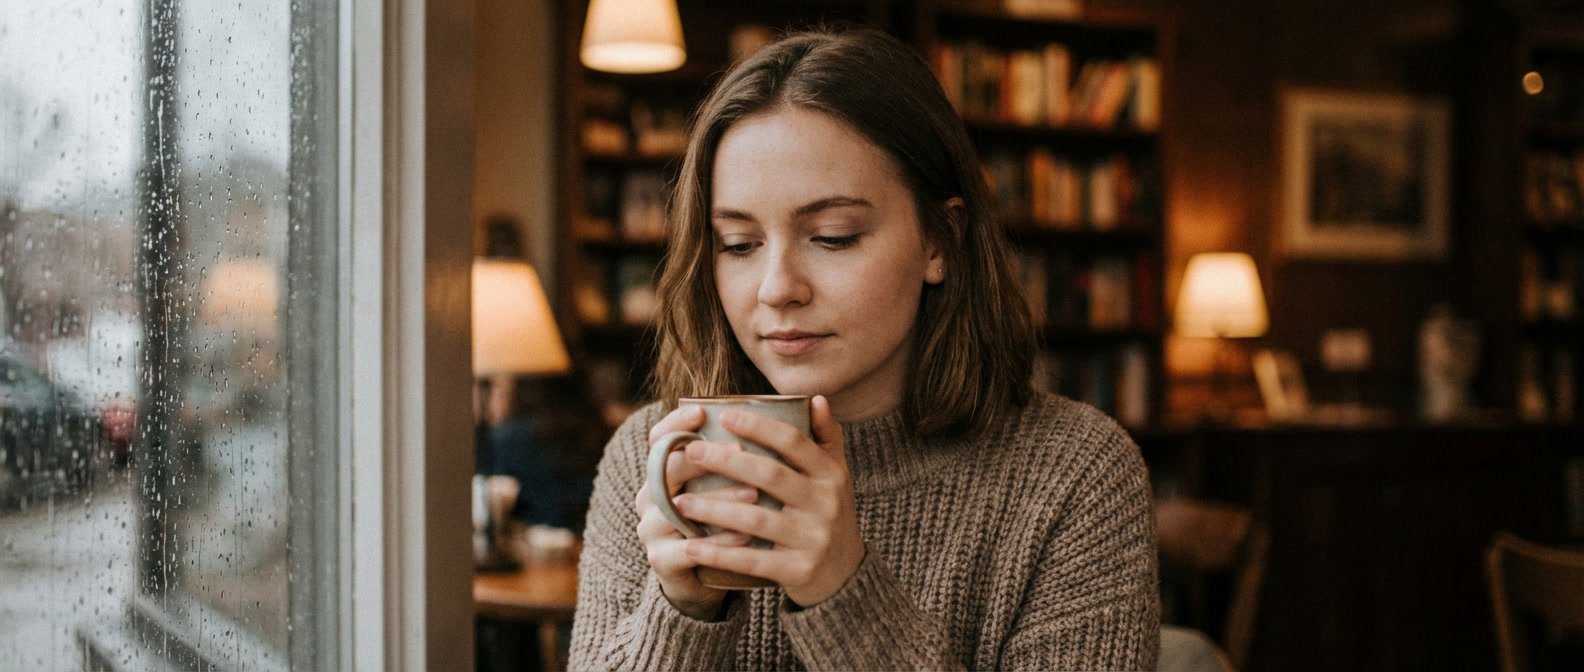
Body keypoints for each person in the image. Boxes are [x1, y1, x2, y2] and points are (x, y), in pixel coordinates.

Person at [569, 26, 1159, 670]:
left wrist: (843, 592)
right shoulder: (652, 456)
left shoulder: (1075, 476)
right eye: (738, 244)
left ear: (940, 240)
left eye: (833, 236)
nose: (776, 289)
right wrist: (681, 609)